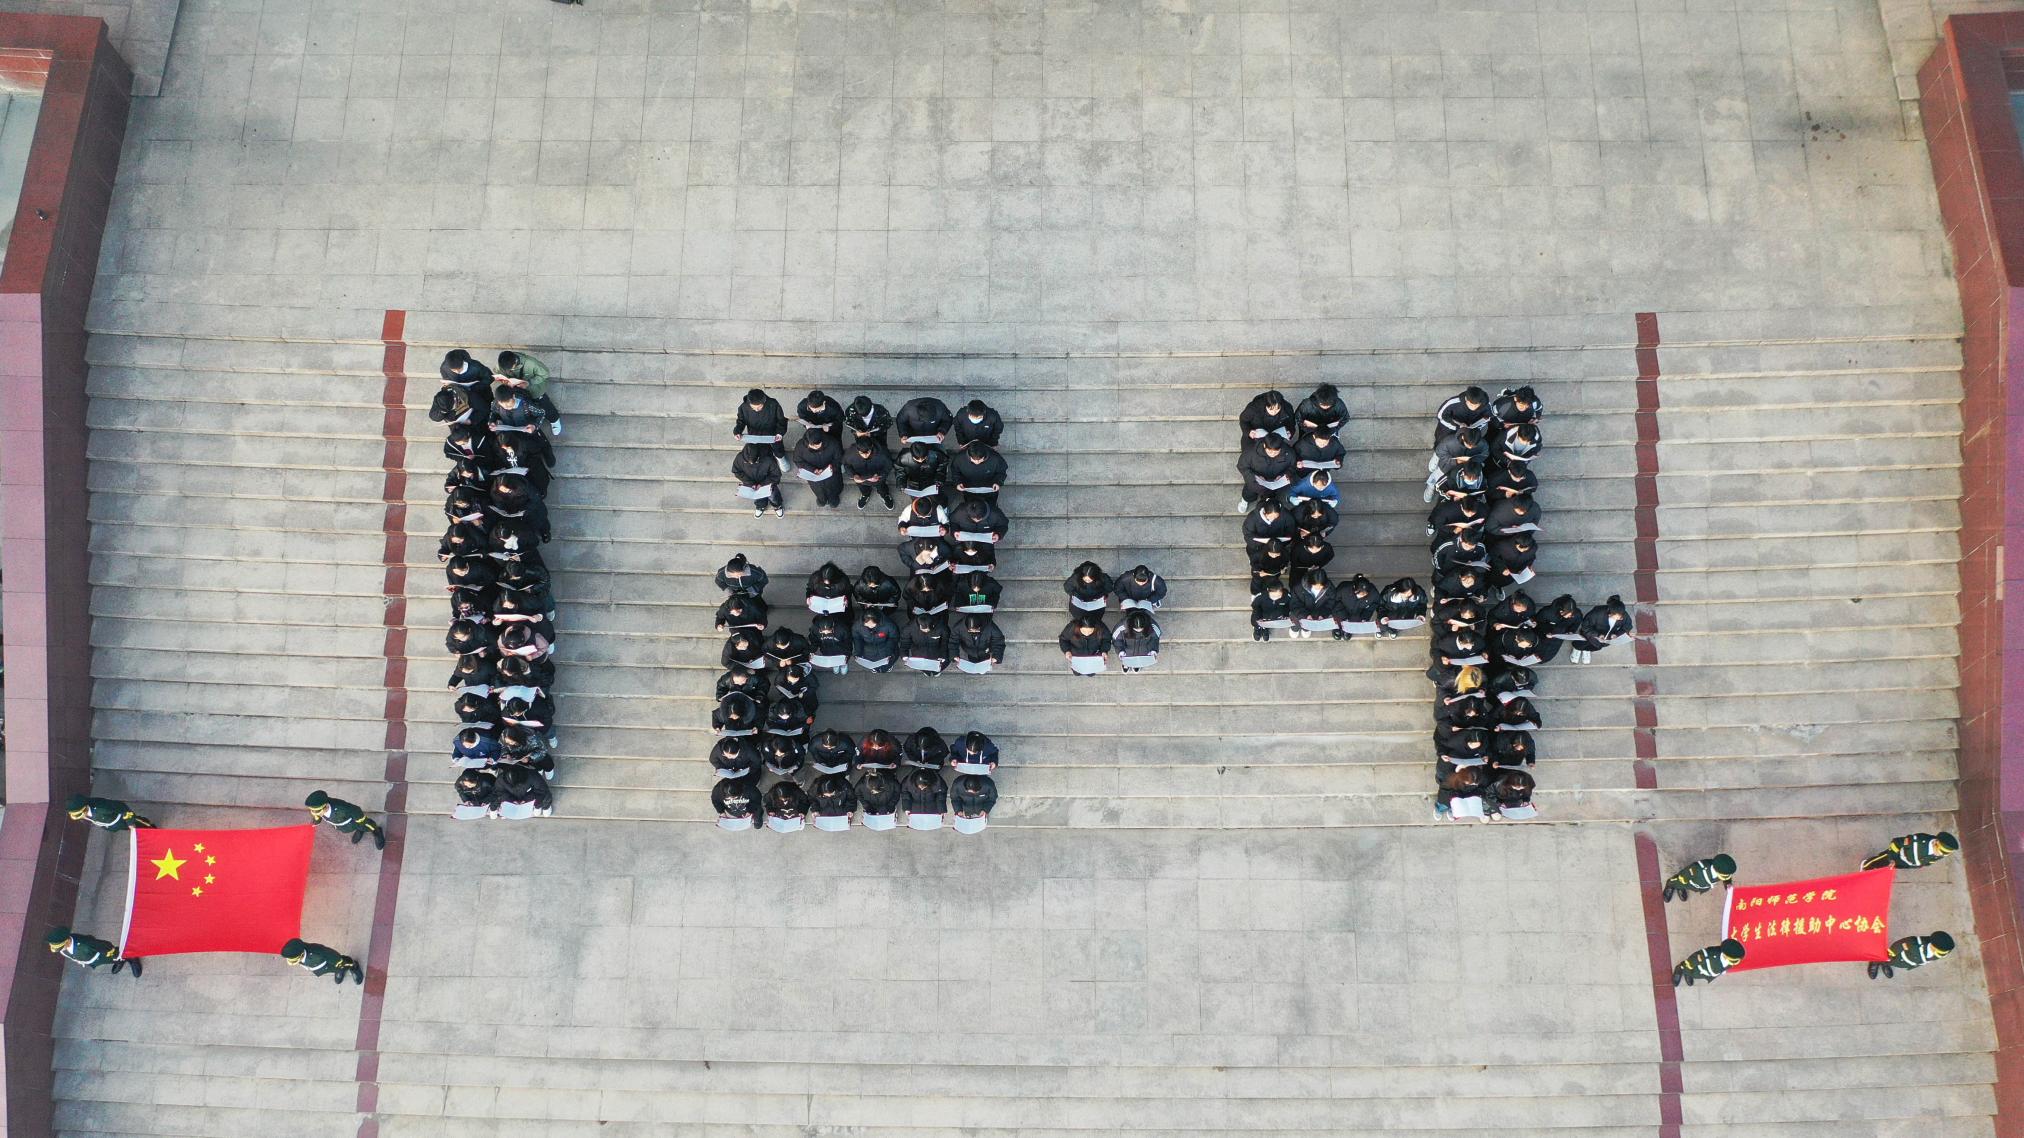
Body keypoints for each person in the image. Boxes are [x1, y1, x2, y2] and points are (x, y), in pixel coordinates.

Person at [496, 350, 562, 434]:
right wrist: (505, 381)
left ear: (515, 362)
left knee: (543, 402)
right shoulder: (503, 365)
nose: (509, 371)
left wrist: (529, 383)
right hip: (515, 387)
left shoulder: (531, 363)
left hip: (534, 387)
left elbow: (545, 374)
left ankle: (554, 419)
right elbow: (498, 371)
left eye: (511, 369)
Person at [305, 791, 386, 849]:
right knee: (351, 829)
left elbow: (355, 809)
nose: (316, 813)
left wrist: (360, 821)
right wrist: (316, 822)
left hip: (352, 822)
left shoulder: (341, 807)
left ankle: (377, 832)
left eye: (318, 811)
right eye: (313, 811)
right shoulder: (318, 809)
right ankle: (359, 830)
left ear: (325, 806)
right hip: (342, 825)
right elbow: (316, 815)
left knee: (366, 826)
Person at [46, 927, 139, 977]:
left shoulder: (85, 943)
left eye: (61, 947)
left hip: (100, 955)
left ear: (67, 941)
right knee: (110, 960)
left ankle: (131, 957)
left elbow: (104, 945)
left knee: (115, 955)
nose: (61, 949)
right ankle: (119, 961)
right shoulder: (64, 950)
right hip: (92, 959)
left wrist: (113, 953)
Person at [1237, 435, 1296, 512]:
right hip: (1255, 480)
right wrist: (1254, 477)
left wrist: (1284, 475)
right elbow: (1242, 466)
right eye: (1270, 451)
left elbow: (1293, 467)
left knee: (1270, 495)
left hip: (1274, 481)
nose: (1273, 454)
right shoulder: (1251, 452)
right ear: (1264, 445)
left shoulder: (1289, 453)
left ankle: (1266, 502)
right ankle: (1245, 500)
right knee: (1249, 492)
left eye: (1276, 452)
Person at [791, 427, 844, 508]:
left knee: (834, 488)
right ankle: (821, 499)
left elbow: (839, 458)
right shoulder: (800, 446)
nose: (815, 447)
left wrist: (831, 467)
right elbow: (798, 461)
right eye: (812, 445)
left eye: (817, 445)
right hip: (814, 476)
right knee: (818, 490)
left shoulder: (833, 443)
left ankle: (834, 499)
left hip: (832, 474)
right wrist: (812, 469)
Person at [1570, 595, 1631, 663]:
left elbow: (1627, 626)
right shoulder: (1597, 612)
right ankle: (1577, 648)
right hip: (1591, 634)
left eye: (1621, 617)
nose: (1621, 619)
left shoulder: (1622, 614)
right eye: (1618, 618)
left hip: (1606, 639)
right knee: (1583, 643)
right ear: (1610, 614)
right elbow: (1585, 626)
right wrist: (1598, 634)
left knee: (1597, 647)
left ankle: (1586, 650)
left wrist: (1617, 634)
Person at [733, 388, 788, 463]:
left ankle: (780, 457)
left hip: (772, 432)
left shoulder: (773, 404)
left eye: (759, 407)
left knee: (778, 447)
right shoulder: (743, 407)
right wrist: (737, 431)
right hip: (754, 433)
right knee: (753, 450)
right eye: (753, 408)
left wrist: (780, 432)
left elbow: (781, 420)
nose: (756, 410)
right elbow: (741, 421)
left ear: (764, 401)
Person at [732, 442, 786, 518]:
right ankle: (761, 505)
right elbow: (737, 472)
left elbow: (776, 475)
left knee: (773, 496)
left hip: (767, 483)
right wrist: (749, 483)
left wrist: (763, 484)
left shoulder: (768, 459)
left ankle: (777, 505)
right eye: (747, 462)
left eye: (755, 461)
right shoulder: (739, 458)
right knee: (758, 496)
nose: (751, 464)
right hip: (752, 483)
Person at [1870, 932, 1955, 979]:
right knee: (1886, 958)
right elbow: (1897, 946)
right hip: (1898, 958)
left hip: (1906, 962)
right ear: (1933, 946)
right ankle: (1875, 962)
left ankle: (1886, 964)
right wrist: (1889, 956)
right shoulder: (1913, 943)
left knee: (1892, 963)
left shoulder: (1944, 951)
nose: (1942, 954)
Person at [1861, 832, 1960, 871]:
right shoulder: (1917, 841)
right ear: (1935, 843)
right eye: (1939, 851)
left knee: (1889, 867)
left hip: (1906, 863)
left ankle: (1878, 870)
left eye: (1943, 854)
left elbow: (1929, 861)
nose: (1939, 855)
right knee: (1880, 860)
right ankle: (1866, 866)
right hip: (1897, 856)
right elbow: (1896, 843)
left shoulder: (1940, 854)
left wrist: (1918, 865)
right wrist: (1892, 858)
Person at [282, 938, 364, 985]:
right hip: (323, 967)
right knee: (334, 969)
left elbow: (330, 954)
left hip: (330, 962)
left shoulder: (316, 950)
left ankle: (354, 966)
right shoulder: (298, 952)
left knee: (344, 964)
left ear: (300, 954)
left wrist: (339, 962)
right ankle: (338, 970)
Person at [845, 436, 895, 510]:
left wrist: (880, 475)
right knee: (863, 489)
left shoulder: (882, 452)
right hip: (861, 478)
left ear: (872, 446)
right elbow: (846, 465)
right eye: (862, 453)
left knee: (882, 488)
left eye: (867, 452)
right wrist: (853, 475)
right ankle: (865, 495)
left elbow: (888, 466)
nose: (865, 455)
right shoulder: (850, 452)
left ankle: (885, 495)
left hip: (878, 478)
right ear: (857, 449)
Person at [1663, 854, 1739, 902]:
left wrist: (1728, 884)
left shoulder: (1721, 870)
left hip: (1699, 885)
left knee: (1687, 886)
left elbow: (1726, 878)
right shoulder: (1698, 868)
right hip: (1690, 881)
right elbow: (1686, 874)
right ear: (1716, 869)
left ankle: (1681, 887)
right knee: (1679, 882)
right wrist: (1682, 881)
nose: (1726, 877)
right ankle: (1670, 885)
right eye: (1725, 876)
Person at [1673, 940, 1745, 987]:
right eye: (1732, 961)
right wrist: (1687, 967)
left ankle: (1688, 974)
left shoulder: (1730, 962)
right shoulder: (1709, 955)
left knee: (1695, 975)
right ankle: (1679, 970)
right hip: (1697, 968)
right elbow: (1692, 961)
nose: (1732, 963)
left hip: (1704, 973)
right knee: (1687, 967)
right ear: (1725, 956)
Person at [64, 794, 155, 832]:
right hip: (116, 825)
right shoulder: (83, 810)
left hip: (124, 820)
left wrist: (131, 823)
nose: (83, 817)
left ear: (85, 808)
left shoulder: (102, 807)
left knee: (143, 826)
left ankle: (152, 830)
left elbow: (123, 808)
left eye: (81, 815)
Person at [1291, 569, 1337, 639]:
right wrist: (1305, 615)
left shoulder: (1330, 589)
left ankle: (1306, 629)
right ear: (1310, 582)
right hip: (1301, 610)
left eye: (1321, 586)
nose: (1318, 588)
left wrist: (1322, 614)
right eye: (1315, 585)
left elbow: (1330, 603)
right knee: (1296, 617)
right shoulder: (1298, 587)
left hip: (1317, 611)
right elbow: (1295, 603)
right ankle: (1295, 628)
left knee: (1309, 624)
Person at [851, 609, 899, 673]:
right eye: (867, 624)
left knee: (888, 661)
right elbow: (857, 639)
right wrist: (857, 652)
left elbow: (893, 638)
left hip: (885, 645)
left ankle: (888, 667)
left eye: (873, 624)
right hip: (868, 646)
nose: (870, 626)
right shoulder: (857, 626)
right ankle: (874, 668)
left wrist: (889, 652)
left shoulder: (889, 625)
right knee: (870, 661)